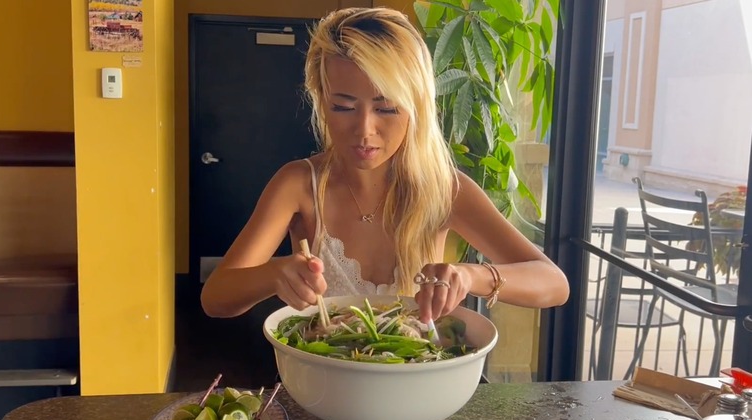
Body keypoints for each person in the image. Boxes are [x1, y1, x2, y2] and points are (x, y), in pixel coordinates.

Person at [201, 6, 569, 324]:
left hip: (415, 378)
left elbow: (554, 283)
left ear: (416, 105)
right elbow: (215, 298)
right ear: (322, 101)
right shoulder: (299, 184)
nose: (364, 130)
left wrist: (472, 276)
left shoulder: (444, 190)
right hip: (320, 377)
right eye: (343, 107)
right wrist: (275, 273)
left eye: (387, 108)